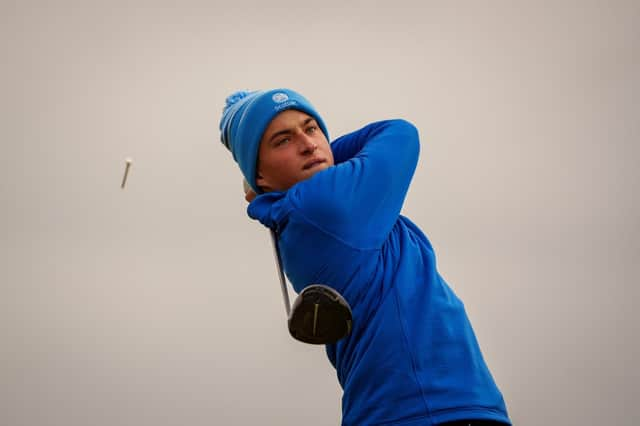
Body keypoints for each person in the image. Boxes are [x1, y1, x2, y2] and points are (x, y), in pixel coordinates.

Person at [219, 88, 511, 426]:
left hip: (415, 409)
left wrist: (280, 169)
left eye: (312, 128)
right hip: (426, 408)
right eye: (283, 140)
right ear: (259, 176)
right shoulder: (323, 203)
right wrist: (325, 154)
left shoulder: (303, 210)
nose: (308, 144)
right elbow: (399, 133)